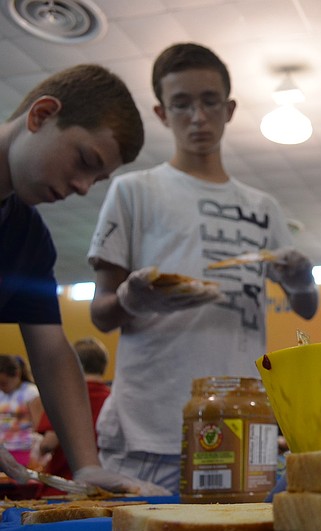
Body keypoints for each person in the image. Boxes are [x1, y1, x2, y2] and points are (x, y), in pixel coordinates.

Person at [87, 43, 319, 493]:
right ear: (161, 113)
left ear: (229, 108)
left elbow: (306, 308)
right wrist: (133, 298)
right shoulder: (134, 191)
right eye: (181, 104)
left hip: (244, 420)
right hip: (151, 426)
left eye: (209, 101)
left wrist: (300, 279)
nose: (197, 117)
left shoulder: (262, 207)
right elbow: (101, 311)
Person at [0, 64, 167, 495]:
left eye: (98, 178)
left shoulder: (28, 239)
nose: (83, 187)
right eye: (85, 161)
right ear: (41, 115)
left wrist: (87, 467)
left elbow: (52, 351)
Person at [33, 337, 111, 488]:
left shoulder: (65, 397)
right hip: (106, 485)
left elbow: (49, 443)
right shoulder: (113, 398)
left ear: (72, 365)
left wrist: (40, 451)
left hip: (66, 486)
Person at [0, 355, 41, 466]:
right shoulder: (1, 394)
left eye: (4, 383)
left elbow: (38, 426)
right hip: (3, 451)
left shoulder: (31, 393)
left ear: (17, 375)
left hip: (23, 450)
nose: (2, 388)